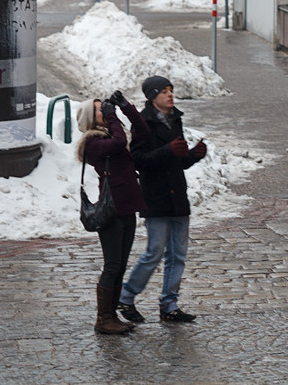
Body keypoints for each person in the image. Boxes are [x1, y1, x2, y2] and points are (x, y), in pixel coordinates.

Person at [116, 76, 207, 324]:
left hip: (178, 196)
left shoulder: (175, 118)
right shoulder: (143, 123)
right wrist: (168, 151)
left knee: (178, 254)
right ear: (152, 97)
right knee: (154, 252)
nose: (170, 95)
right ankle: (126, 296)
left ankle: (169, 304)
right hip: (155, 197)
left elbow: (177, 161)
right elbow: (139, 161)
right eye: (164, 91)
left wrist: (193, 156)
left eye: (171, 90)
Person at [76, 94, 149, 335]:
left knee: (120, 266)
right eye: (99, 110)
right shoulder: (93, 144)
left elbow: (142, 131)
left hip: (126, 206)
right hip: (112, 210)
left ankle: (112, 315)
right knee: (112, 265)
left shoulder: (111, 135)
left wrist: (125, 107)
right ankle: (103, 318)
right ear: (91, 119)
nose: (105, 112)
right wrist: (112, 116)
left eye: (104, 108)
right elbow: (119, 143)